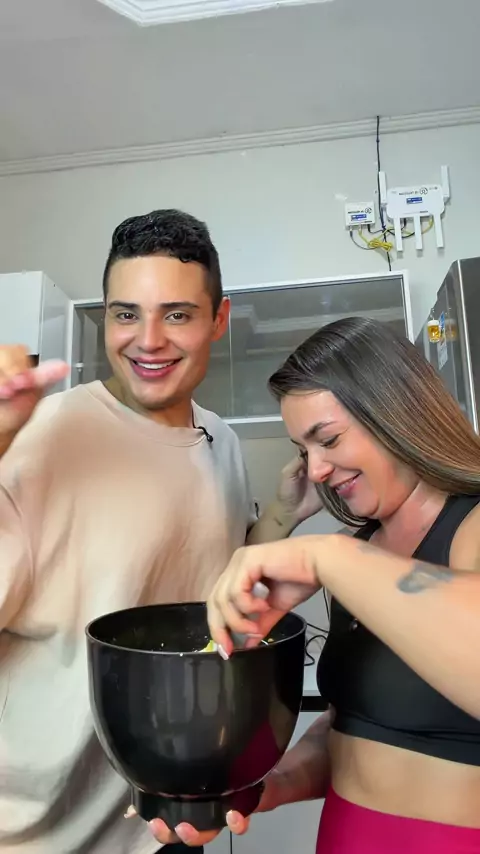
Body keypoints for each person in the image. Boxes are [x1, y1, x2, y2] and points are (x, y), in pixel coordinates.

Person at [0, 209, 320, 854]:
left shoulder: (220, 439)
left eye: (176, 314)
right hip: (35, 830)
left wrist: (283, 515)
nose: (147, 341)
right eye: (126, 314)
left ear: (218, 320)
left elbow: (213, 585)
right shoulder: (43, 436)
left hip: (167, 825)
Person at [157, 317, 480, 853]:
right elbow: (349, 731)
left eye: (327, 440)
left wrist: (324, 554)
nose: (317, 469)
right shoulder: (364, 550)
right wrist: (267, 788)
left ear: (397, 413)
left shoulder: (467, 525)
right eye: (305, 451)